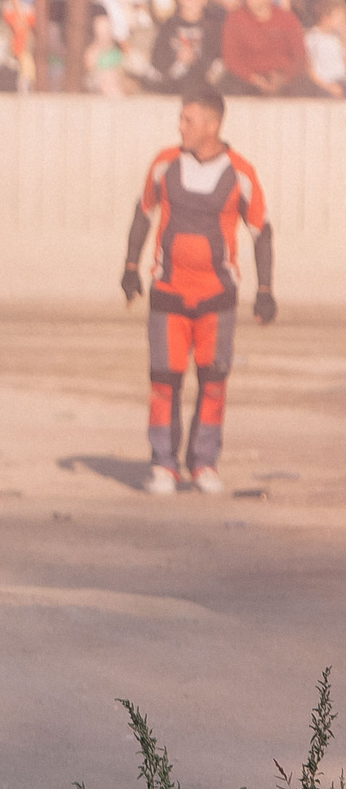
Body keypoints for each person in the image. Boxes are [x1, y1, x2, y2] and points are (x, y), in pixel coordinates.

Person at [120, 90, 276, 495]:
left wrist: (265, 290)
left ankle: (204, 463)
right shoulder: (163, 164)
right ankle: (163, 465)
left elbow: (261, 232)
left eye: (188, 120)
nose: (180, 126)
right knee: (163, 381)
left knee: (213, 381)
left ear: (212, 124)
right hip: (168, 292)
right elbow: (142, 215)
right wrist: (130, 268)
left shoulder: (240, 171)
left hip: (217, 297)